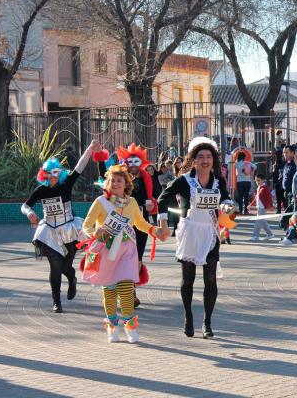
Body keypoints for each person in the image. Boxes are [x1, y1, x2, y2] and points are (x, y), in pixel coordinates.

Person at [81, 165, 169, 343]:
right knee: (110, 289)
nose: (115, 183)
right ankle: (112, 327)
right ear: (107, 183)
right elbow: (86, 225)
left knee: (127, 288)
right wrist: (93, 234)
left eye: (119, 181)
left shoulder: (132, 203)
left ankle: (130, 326)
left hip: (127, 248)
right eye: (112, 180)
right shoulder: (100, 202)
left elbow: (140, 223)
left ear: (126, 184)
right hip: (106, 249)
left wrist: (155, 231)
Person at [157, 137, 234, 339]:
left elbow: (225, 197)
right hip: (190, 232)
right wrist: (163, 224)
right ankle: (188, 317)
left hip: (210, 233)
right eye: (201, 157)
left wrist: (226, 205)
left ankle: (207, 322)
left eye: (209, 157)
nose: (205, 160)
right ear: (193, 160)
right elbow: (162, 199)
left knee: (210, 280)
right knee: (188, 280)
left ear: (214, 160)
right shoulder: (185, 180)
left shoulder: (218, 181)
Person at [21, 140, 98, 313]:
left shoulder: (66, 185)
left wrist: (90, 150)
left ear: (60, 173)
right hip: (49, 232)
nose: (53, 176)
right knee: (55, 267)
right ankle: (57, 301)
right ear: (45, 174)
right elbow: (25, 205)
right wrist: (30, 214)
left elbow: (79, 166)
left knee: (65, 267)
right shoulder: (41, 191)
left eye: (56, 173)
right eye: (50, 173)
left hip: (69, 230)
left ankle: (72, 279)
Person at [102, 144, 158, 309]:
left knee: (137, 258)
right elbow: (108, 191)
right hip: (120, 224)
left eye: (136, 161)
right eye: (130, 161)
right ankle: (118, 289)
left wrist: (151, 203)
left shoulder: (147, 178)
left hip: (140, 224)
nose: (133, 164)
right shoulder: (120, 180)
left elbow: (157, 196)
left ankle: (131, 290)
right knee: (117, 257)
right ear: (125, 162)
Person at [249, 173, 274, 241]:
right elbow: (256, 198)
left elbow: (269, 197)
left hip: (262, 208)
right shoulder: (259, 188)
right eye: (256, 180)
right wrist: (251, 205)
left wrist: (271, 206)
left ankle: (255, 236)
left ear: (263, 180)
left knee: (258, 222)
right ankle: (270, 234)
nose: (257, 182)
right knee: (262, 222)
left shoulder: (265, 188)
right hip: (259, 207)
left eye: (259, 180)